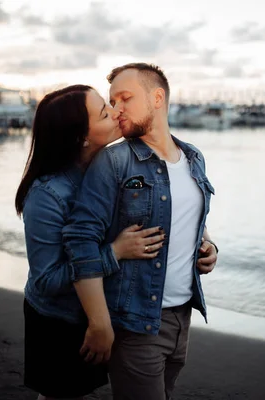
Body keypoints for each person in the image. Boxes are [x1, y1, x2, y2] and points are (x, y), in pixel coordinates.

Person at [62, 63, 218, 400]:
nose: (117, 110)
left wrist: (208, 246)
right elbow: (80, 240)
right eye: (112, 101)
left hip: (182, 317)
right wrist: (100, 322)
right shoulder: (114, 161)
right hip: (135, 321)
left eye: (125, 98)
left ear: (157, 97)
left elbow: (193, 217)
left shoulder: (193, 157)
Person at [15, 84, 165, 400]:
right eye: (104, 112)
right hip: (59, 320)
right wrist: (114, 253)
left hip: (101, 310)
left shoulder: (113, 168)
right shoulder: (47, 196)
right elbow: (45, 280)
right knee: (60, 393)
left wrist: (205, 244)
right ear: (81, 137)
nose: (117, 112)